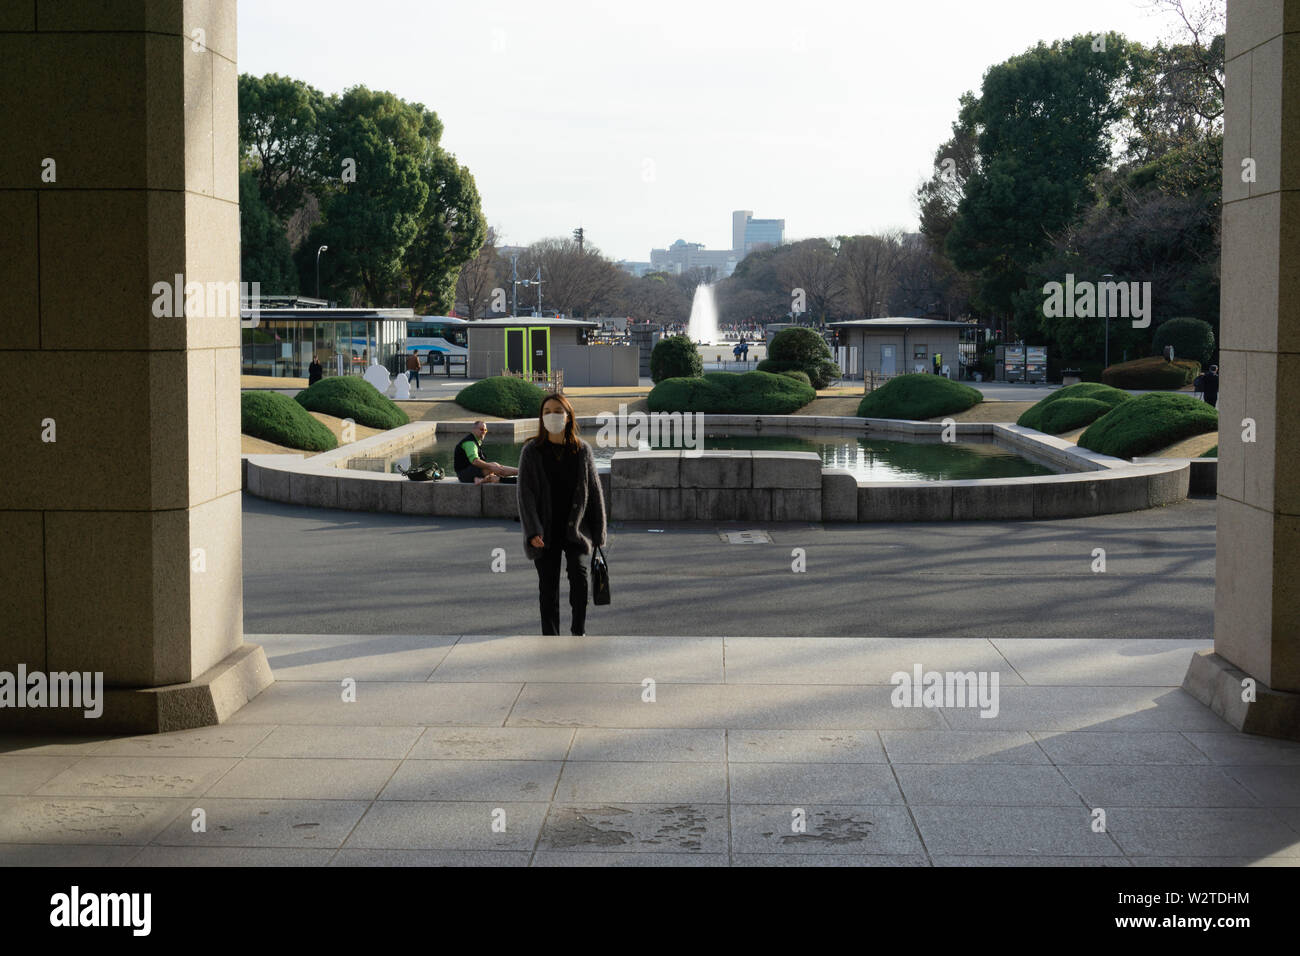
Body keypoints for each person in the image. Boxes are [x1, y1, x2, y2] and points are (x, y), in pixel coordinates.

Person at [516, 393, 607, 636]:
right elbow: (525, 495)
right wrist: (533, 531)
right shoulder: (531, 451)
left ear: (568, 416)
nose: (552, 415)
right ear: (541, 417)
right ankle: (551, 637)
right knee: (548, 589)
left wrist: (598, 533)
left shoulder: (582, 450)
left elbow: (595, 493)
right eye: (546, 411)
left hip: (575, 529)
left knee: (580, 579)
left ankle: (579, 631)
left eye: (557, 411)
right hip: (544, 531)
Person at [454, 421, 518, 484]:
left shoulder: (475, 441)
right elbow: (475, 461)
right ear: (474, 430)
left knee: (495, 466)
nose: (484, 432)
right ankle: (522, 471)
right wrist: (491, 467)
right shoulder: (470, 442)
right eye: (481, 429)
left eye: (485, 430)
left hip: (468, 472)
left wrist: (492, 466)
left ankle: (520, 471)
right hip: (463, 475)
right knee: (494, 467)